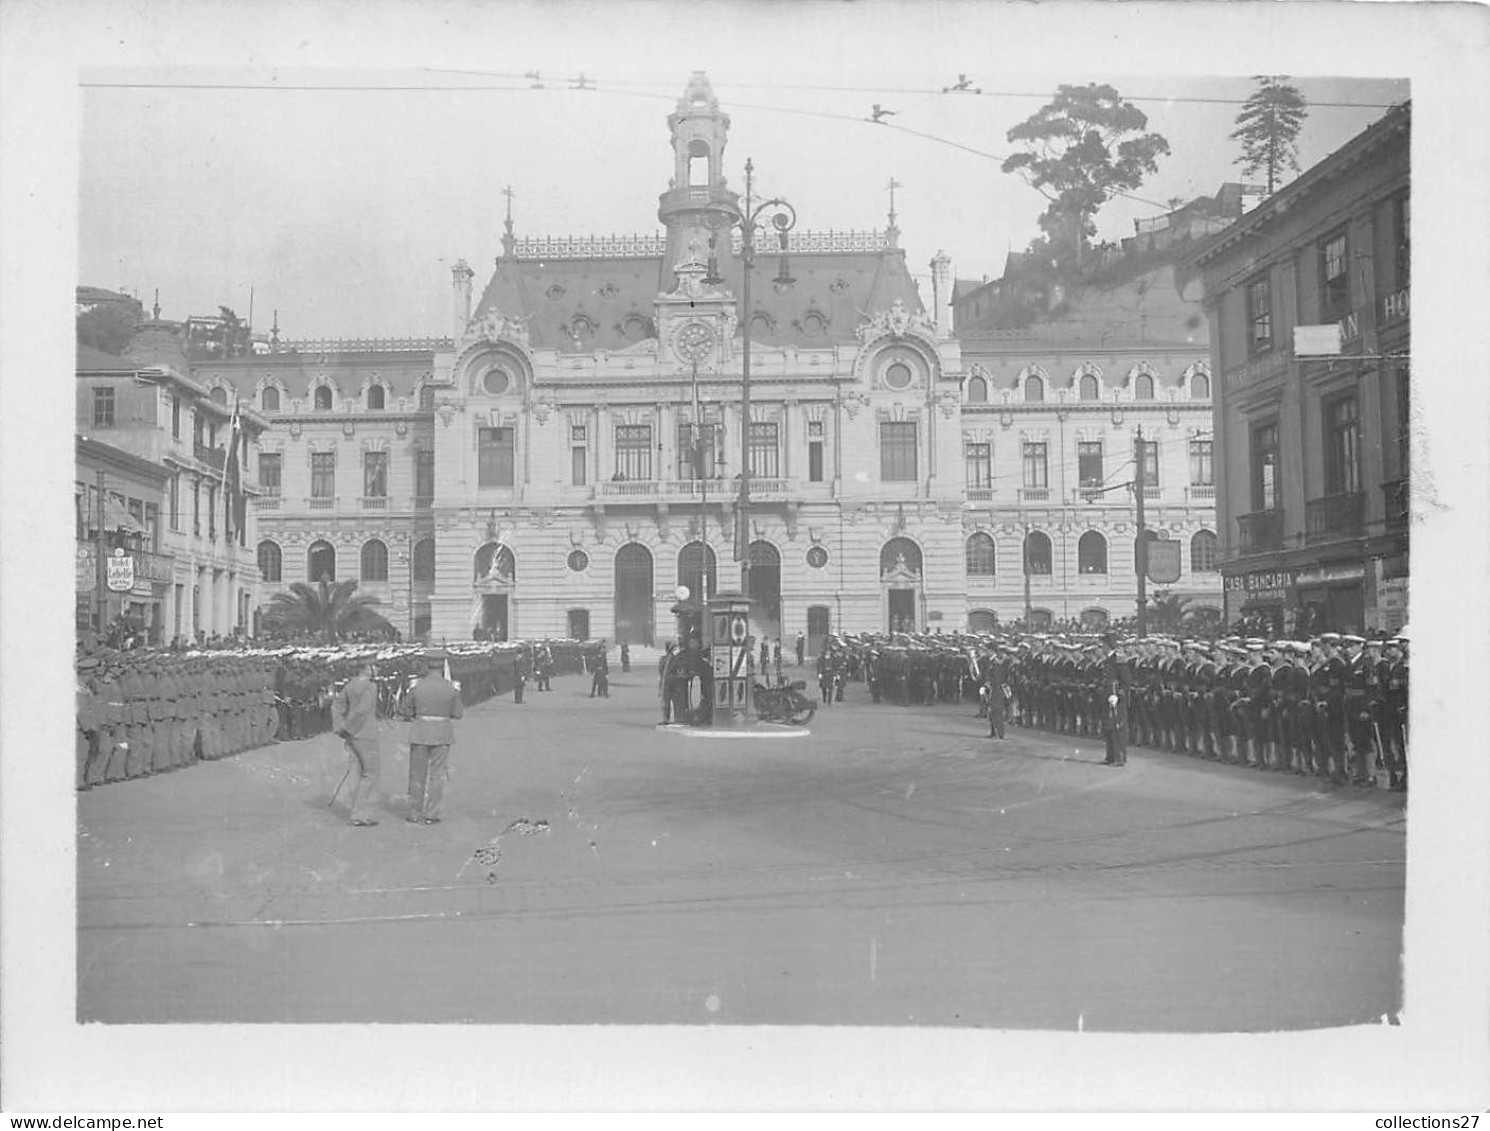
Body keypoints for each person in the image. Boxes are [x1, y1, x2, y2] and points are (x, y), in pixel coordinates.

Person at [400, 649, 464, 825]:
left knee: (416, 775)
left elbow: (405, 710)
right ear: (443, 665)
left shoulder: (416, 686)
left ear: (426, 665)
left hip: (420, 732)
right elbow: (458, 713)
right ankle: (431, 814)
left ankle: (414, 812)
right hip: (442, 733)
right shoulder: (451, 688)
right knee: (437, 776)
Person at [331, 659, 382, 826]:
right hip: (364, 733)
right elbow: (361, 711)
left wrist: (339, 727)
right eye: (376, 666)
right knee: (371, 773)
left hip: (351, 735)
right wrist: (348, 728)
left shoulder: (351, 684)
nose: (378, 669)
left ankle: (357, 812)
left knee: (358, 772)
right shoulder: (370, 687)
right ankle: (360, 814)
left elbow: (337, 705)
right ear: (367, 668)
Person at [1101, 678, 1129, 766]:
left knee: (1118, 738)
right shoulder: (1108, 693)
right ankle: (1110, 757)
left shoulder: (1121, 694)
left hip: (1118, 718)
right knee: (1110, 737)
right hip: (1110, 718)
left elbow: (1122, 706)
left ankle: (1119, 759)